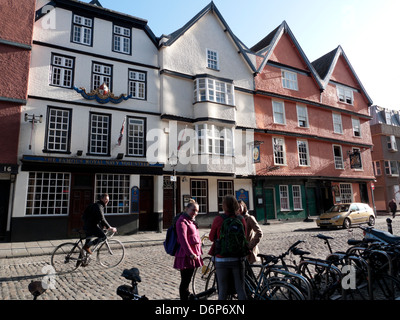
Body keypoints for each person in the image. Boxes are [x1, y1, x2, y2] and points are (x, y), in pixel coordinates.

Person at [209, 195, 247, 300]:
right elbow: (244, 236)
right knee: (240, 289)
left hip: (221, 258)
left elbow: (212, 237)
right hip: (238, 258)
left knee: (222, 290)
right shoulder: (241, 219)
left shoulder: (218, 219)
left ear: (224, 206)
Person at [173, 200, 203, 300]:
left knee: (187, 280)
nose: (195, 213)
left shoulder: (190, 220)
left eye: (197, 211)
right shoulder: (182, 221)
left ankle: (186, 296)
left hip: (193, 255)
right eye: (193, 210)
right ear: (186, 209)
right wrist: (190, 254)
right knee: (185, 281)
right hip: (186, 256)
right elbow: (183, 240)